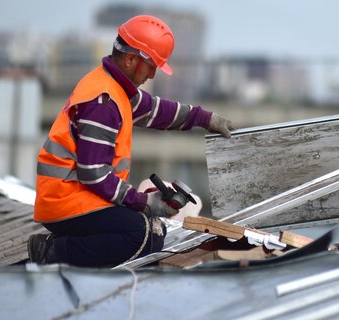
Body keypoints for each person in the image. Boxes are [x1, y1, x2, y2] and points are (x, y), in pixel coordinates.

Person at [28, 15, 235, 267]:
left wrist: (204, 118)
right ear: (130, 59)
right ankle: (52, 252)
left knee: (151, 231)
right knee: (141, 236)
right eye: (151, 66)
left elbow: (157, 110)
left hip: (78, 197)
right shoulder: (103, 103)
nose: (152, 74)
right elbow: (95, 174)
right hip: (65, 203)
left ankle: (66, 247)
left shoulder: (115, 88)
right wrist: (143, 202)